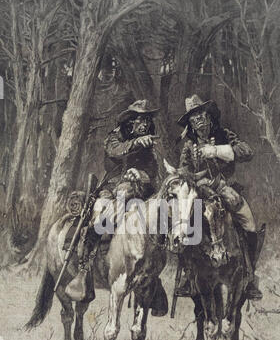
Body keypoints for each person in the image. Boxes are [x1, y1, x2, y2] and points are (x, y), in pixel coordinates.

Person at [65, 99, 164, 305]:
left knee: (162, 218)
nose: (144, 124)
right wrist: (135, 143)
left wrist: (141, 174)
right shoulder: (116, 136)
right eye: (140, 120)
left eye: (147, 120)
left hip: (142, 189)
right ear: (130, 121)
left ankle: (155, 276)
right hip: (115, 187)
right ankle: (85, 267)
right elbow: (114, 151)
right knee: (106, 214)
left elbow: (154, 170)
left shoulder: (150, 142)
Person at [176, 94, 264, 300]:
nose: (199, 121)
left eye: (202, 115)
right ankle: (188, 276)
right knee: (184, 225)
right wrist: (191, 177)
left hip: (226, 187)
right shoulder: (189, 146)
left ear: (209, 116)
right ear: (190, 123)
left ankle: (250, 276)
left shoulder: (224, 134)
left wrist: (217, 150)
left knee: (249, 222)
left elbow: (247, 151)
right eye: (194, 117)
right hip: (200, 192)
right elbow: (183, 169)